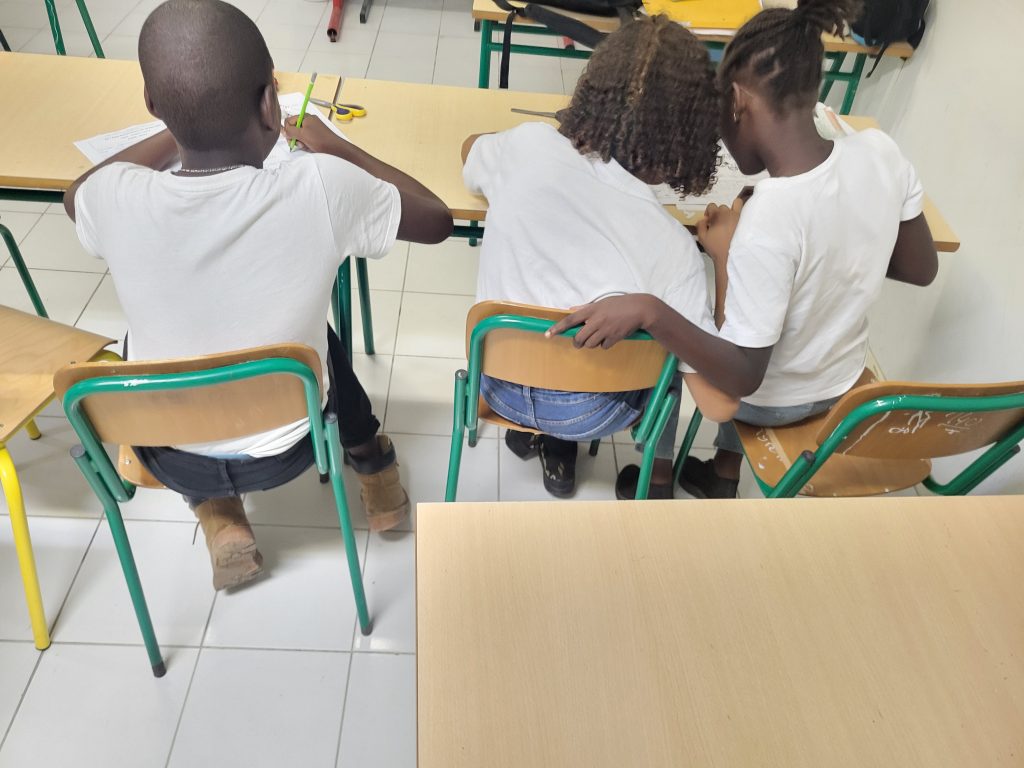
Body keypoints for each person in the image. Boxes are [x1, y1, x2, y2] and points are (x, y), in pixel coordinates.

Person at [64, 0, 453, 589]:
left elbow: (77, 195)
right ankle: (373, 465)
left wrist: (179, 124)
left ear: (152, 105)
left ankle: (220, 517)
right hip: (292, 443)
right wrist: (336, 148)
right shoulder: (320, 185)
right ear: (270, 103)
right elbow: (438, 220)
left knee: (166, 346)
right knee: (317, 338)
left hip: (168, 452)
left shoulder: (114, 195)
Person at [547, 0, 939, 498]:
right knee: (773, 309)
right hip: (842, 385)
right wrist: (837, 248)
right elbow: (920, 267)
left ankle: (658, 476)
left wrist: (693, 279)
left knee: (676, 314)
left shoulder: (767, 222)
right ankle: (724, 473)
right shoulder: (881, 152)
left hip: (771, 399)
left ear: (736, 100)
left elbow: (741, 377)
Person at [461, 15, 739, 500]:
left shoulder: (527, 146)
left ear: (592, 90)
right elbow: (718, 404)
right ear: (690, 137)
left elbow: (468, 149)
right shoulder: (674, 249)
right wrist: (723, 261)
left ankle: (542, 440)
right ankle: (653, 477)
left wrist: (534, 144)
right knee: (673, 347)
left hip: (496, 384)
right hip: (591, 413)